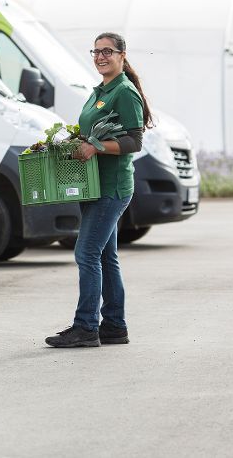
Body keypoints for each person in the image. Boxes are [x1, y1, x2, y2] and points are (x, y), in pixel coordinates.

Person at [45, 32, 153, 348]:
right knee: (106, 257)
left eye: (107, 51)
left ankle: (86, 327)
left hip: (112, 188)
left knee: (86, 253)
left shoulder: (124, 92)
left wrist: (95, 147)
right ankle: (115, 326)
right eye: (96, 51)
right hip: (93, 186)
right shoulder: (101, 90)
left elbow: (134, 140)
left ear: (122, 54)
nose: (100, 56)